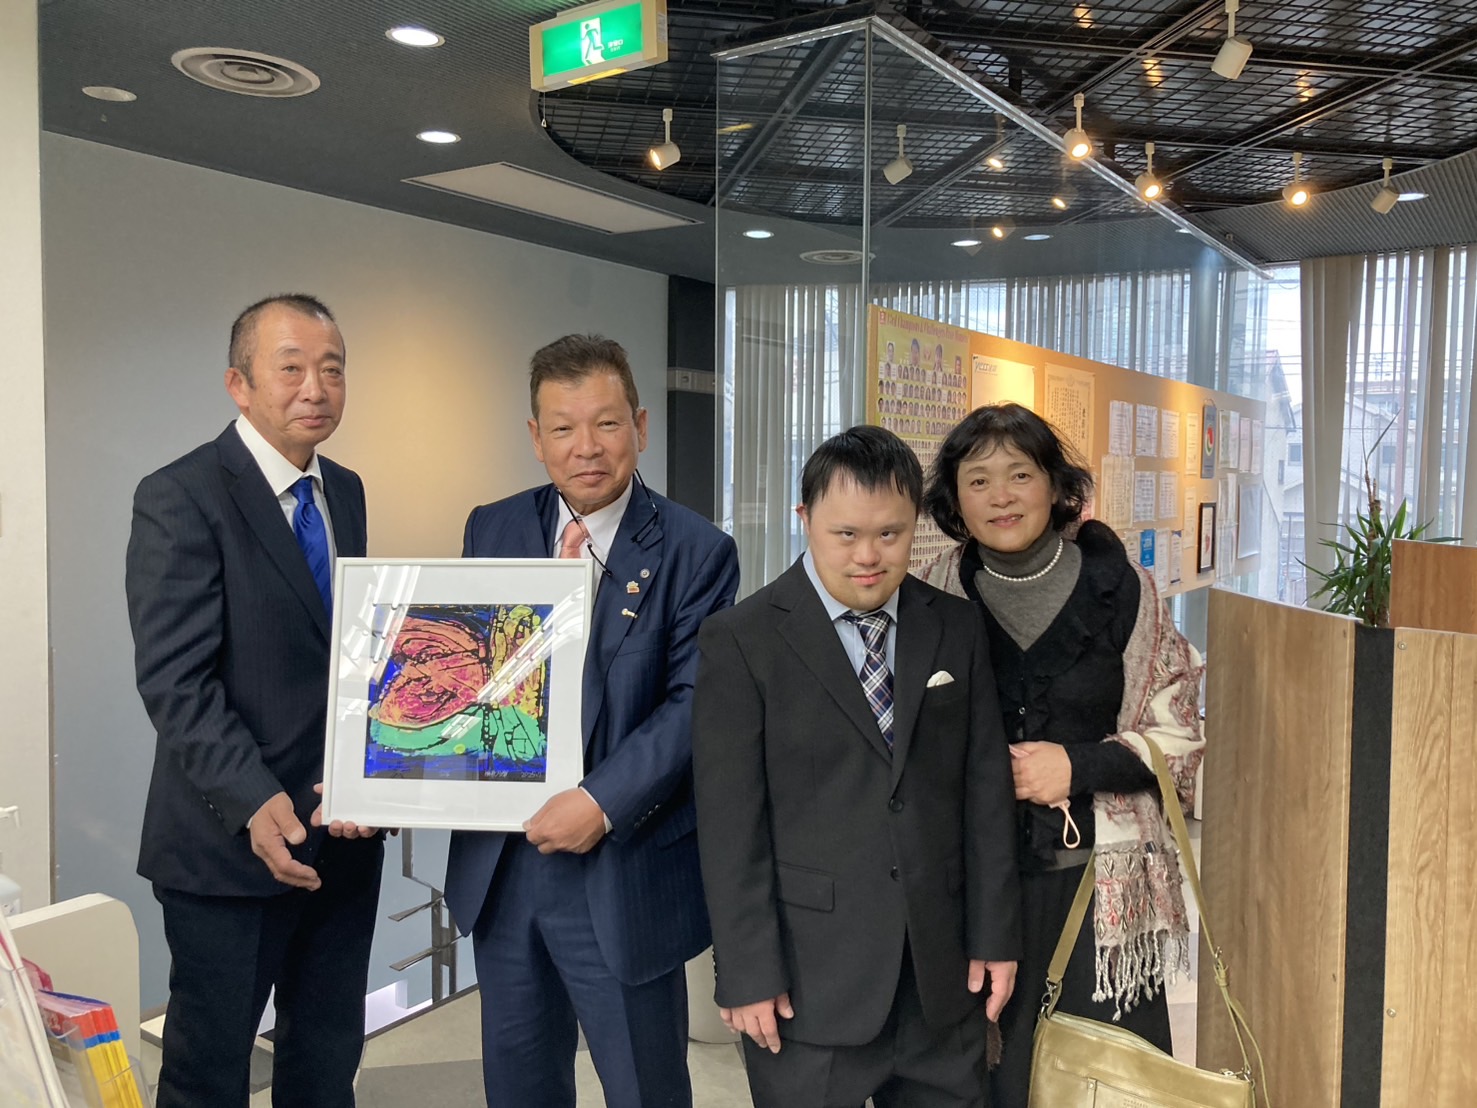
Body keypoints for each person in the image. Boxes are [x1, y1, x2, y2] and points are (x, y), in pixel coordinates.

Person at [445, 334, 740, 1108]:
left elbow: (693, 703)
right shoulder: (491, 529)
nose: (586, 447)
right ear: (535, 437)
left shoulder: (696, 550)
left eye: (606, 424)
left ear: (639, 426)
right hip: (504, 868)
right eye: (563, 427)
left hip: (621, 866)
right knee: (519, 1084)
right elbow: (466, 676)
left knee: (643, 1087)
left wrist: (599, 802)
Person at [693, 425, 1021, 1108]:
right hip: (808, 987)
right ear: (804, 519)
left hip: (940, 979)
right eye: (845, 535)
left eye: (889, 534)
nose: (868, 557)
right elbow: (730, 826)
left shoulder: (955, 627)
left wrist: (995, 937)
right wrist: (746, 972)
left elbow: (984, 793)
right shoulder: (743, 639)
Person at [125, 294, 384, 1108]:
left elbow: (339, 658)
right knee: (208, 1074)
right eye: (291, 368)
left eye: (332, 369)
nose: (316, 388)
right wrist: (252, 798)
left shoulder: (345, 491)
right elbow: (175, 680)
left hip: (341, 837)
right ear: (238, 384)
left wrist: (382, 770)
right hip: (225, 848)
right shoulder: (180, 495)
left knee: (326, 1062)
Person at [916, 403, 1206, 1108]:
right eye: (978, 480)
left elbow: (1179, 733)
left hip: (1094, 886)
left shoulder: (1123, 591)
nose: (1001, 496)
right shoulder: (928, 593)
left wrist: (1076, 766)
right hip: (968, 888)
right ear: (954, 499)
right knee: (984, 1076)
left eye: (1020, 474)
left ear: (1055, 484)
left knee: (1098, 1079)